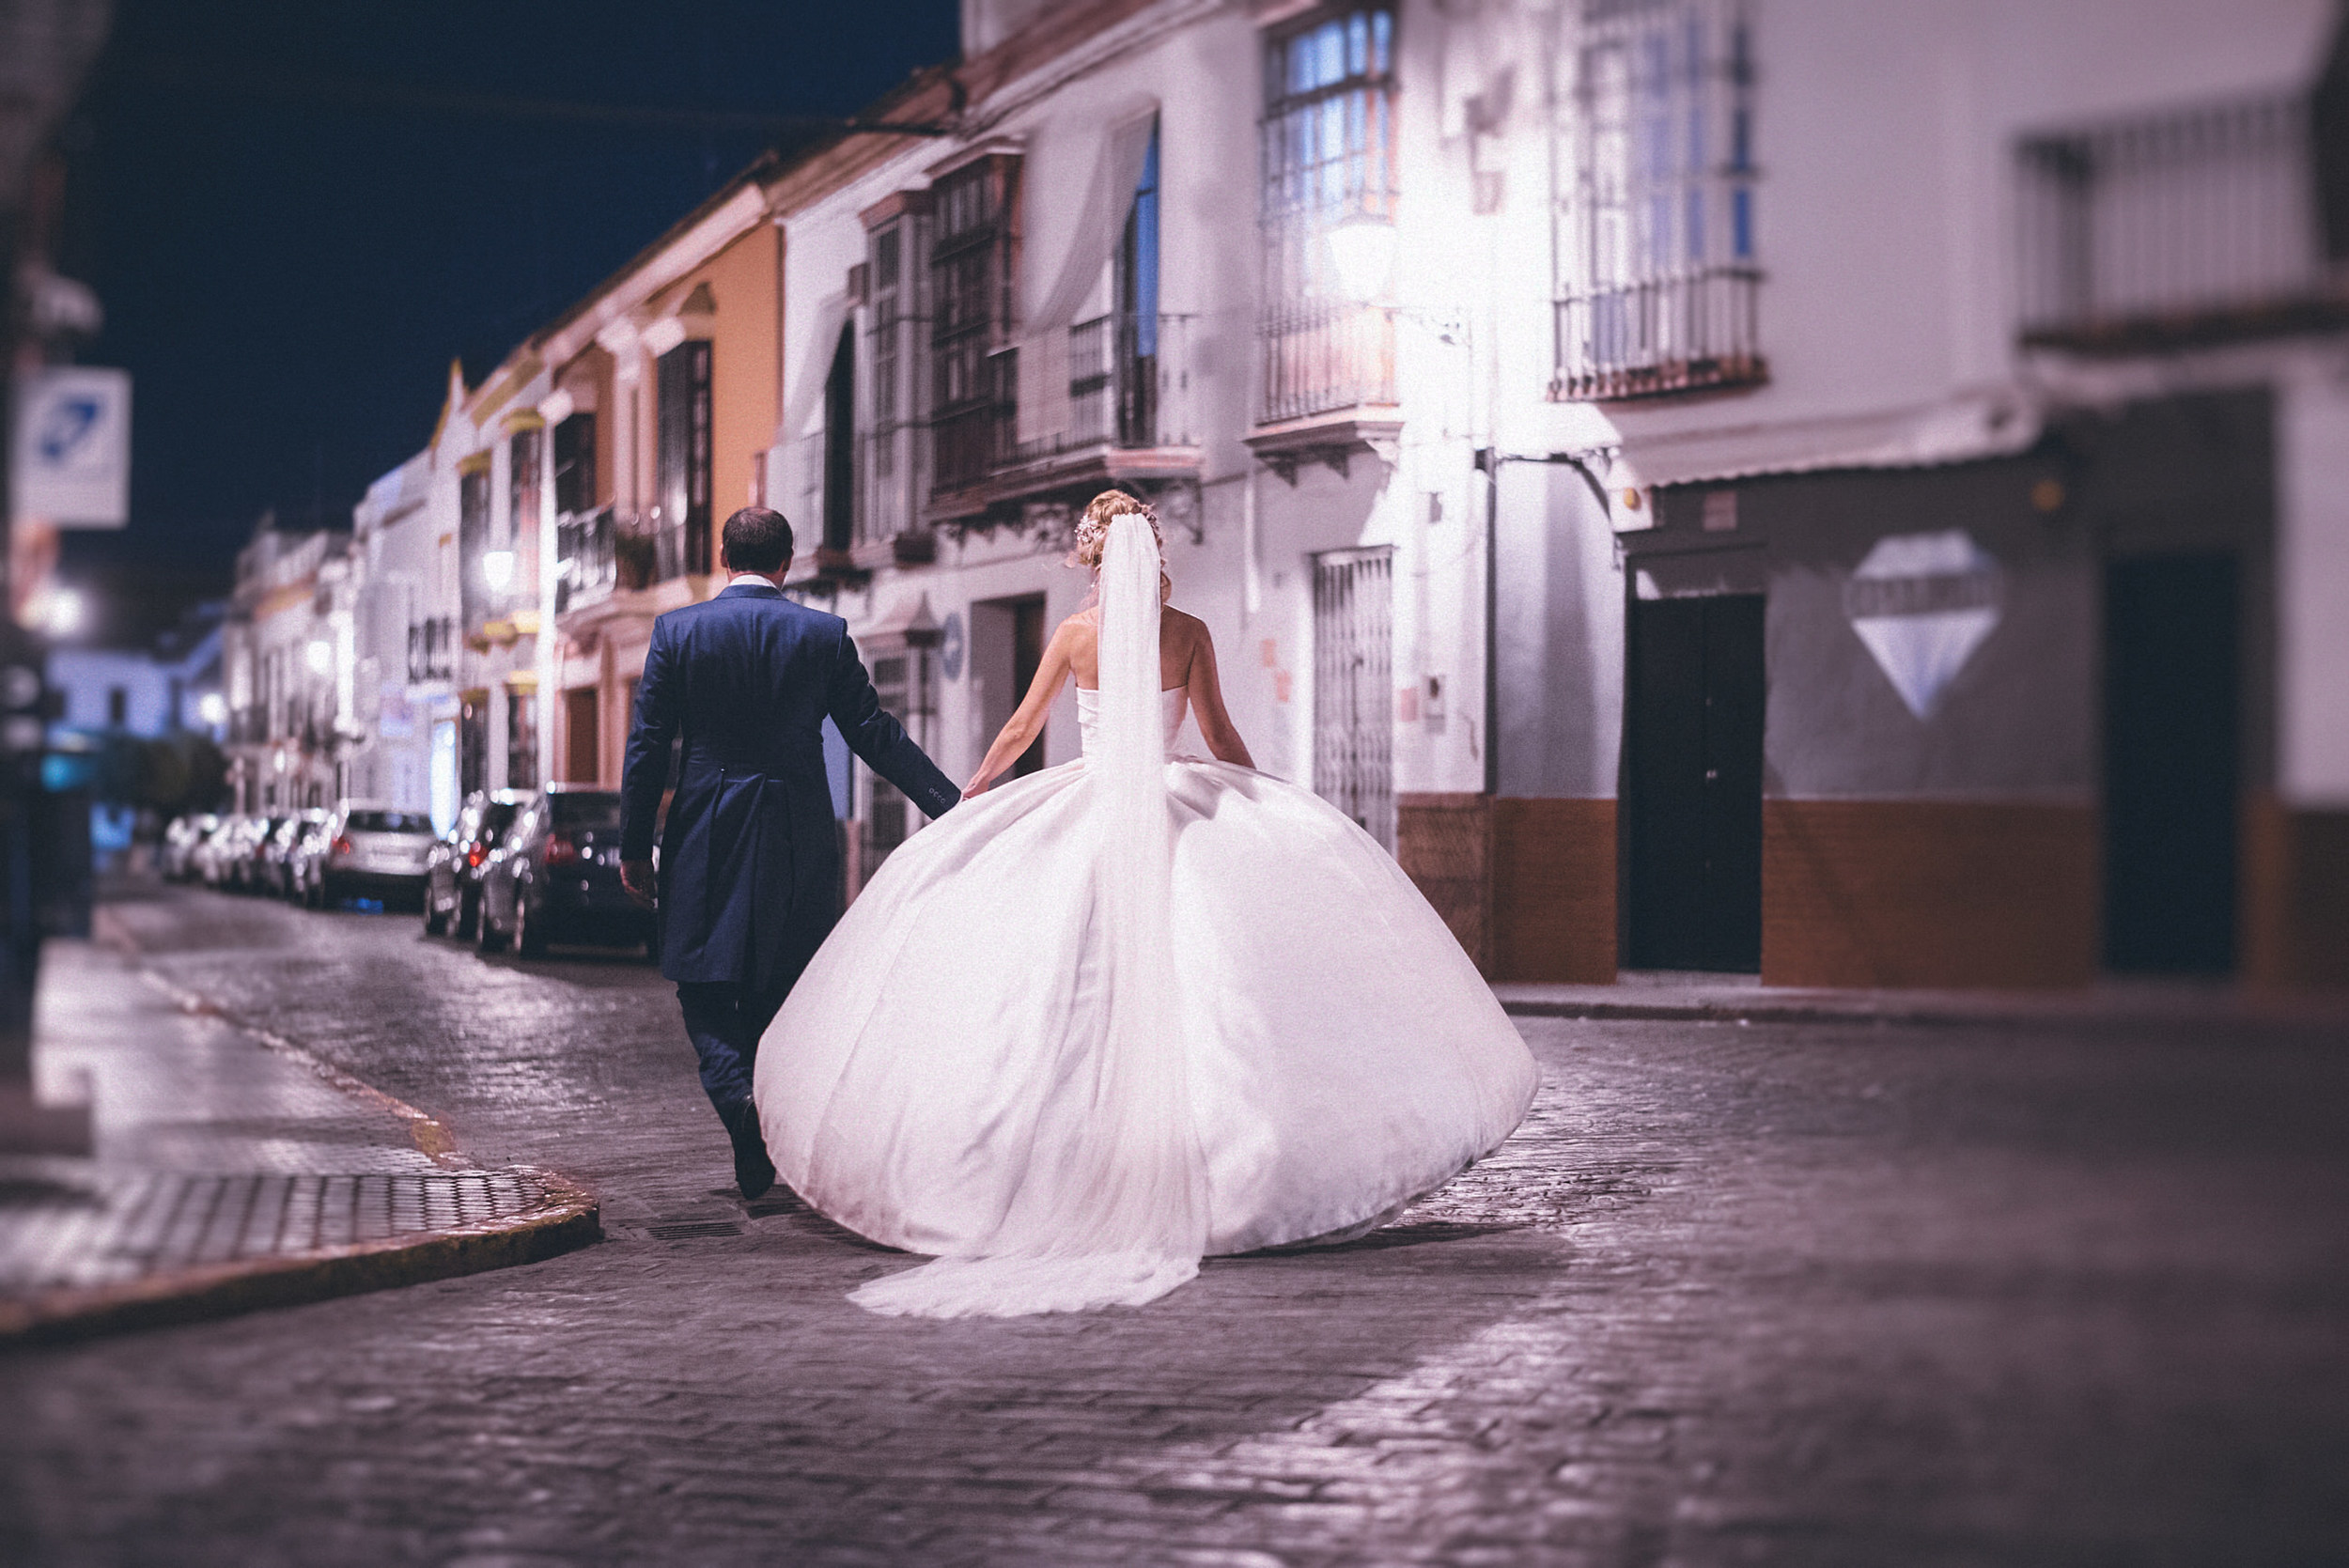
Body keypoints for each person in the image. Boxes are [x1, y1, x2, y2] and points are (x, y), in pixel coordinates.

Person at [753, 490, 1538, 1318]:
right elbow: (1221, 735)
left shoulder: (1075, 637)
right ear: (1155, 558)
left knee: (1053, 991)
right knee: (1206, 977)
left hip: (1086, 798)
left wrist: (973, 794)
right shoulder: (1190, 633)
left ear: (1095, 564)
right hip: (1174, 800)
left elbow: (1022, 726)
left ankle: (1048, 1165)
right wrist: (1259, 790)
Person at [620, 505, 958, 1202]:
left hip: (707, 830)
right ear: (787, 563)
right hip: (798, 833)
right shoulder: (821, 634)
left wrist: (632, 847)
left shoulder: (677, 632)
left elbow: (648, 748)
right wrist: (948, 803)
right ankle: (767, 1121)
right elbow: (873, 732)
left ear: (723, 560)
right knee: (786, 989)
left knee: (705, 987)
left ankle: (742, 1106)